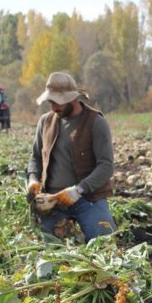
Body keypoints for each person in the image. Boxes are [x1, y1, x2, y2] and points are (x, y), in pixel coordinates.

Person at [26, 72, 117, 241]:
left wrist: (78, 190)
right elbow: (36, 157)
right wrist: (33, 179)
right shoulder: (45, 122)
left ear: (73, 98)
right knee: (48, 247)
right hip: (52, 202)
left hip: (88, 200)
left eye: (57, 102)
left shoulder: (96, 122)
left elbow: (106, 166)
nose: (54, 107)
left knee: (105, 243)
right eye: (51, 102)